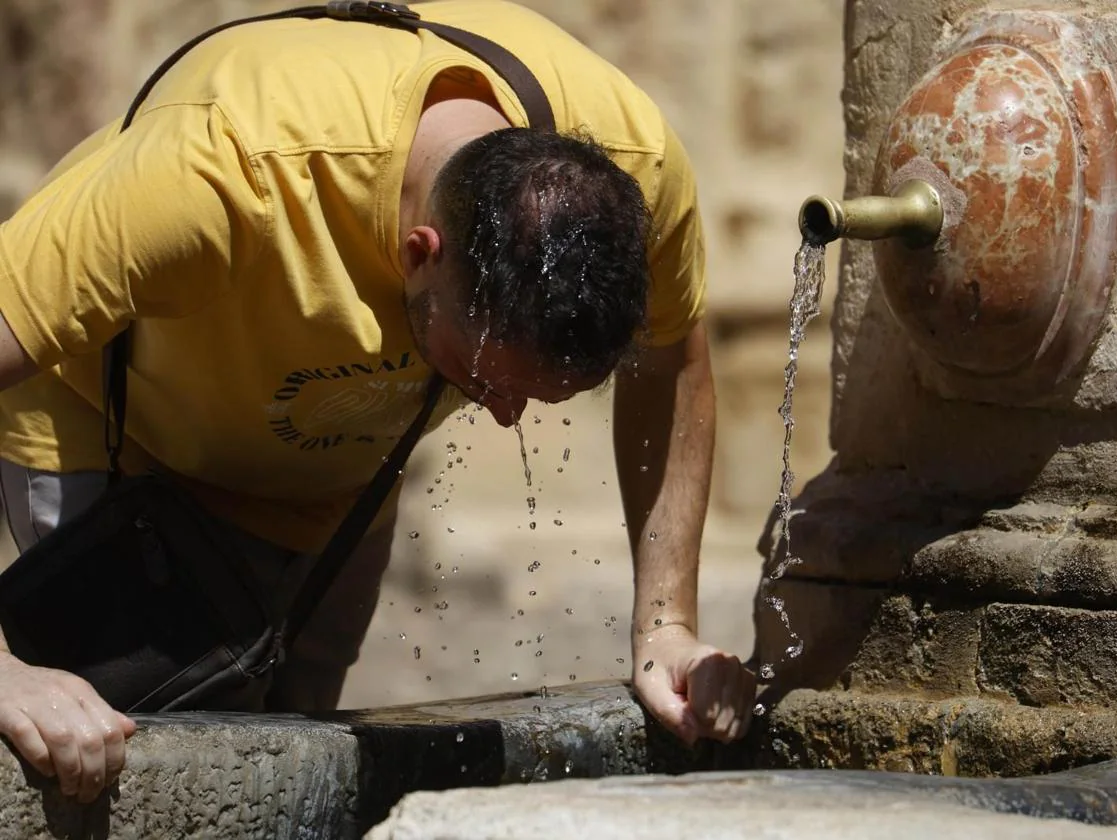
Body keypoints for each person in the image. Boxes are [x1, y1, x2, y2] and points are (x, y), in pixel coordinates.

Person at [0, 0, 756, 803]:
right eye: (483, 380)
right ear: (417, 253)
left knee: (291, 789)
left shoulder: (636, 175)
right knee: (99, 772)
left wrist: (665, 626)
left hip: (339, 462)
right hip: (121, 442)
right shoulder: (228, 170)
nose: (504, 417)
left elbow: (674, 356)